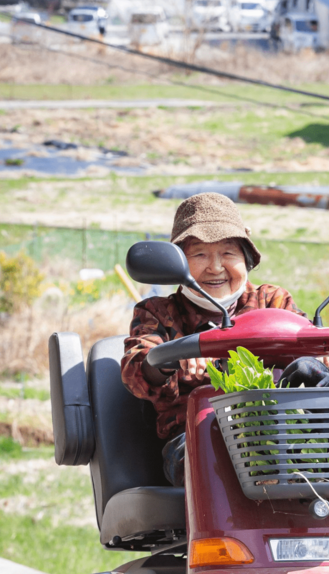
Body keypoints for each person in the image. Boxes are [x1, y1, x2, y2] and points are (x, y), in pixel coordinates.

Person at [121, 192, 305, 486]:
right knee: (213, 453)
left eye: (228, 253)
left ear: (246, 259)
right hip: (194, 439)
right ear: (178, 263)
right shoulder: (157, 312)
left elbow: (305, 342)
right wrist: (172, 357)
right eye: (200, 254)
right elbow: (135, 367)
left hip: (281, 432)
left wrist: (322, 354)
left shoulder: (272, 301)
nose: (216, 267)